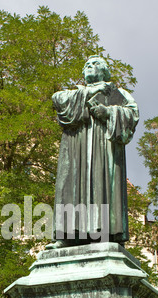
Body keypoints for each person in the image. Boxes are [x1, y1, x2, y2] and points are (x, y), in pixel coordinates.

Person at [49, 55, 139, 248]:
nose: (90, 66)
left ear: (105, 71)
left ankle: (108, 234)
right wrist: (94, 91)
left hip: (103, 148)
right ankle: (66, 236)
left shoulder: (118, 94)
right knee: (69, 185)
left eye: (95, 63)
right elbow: (58, 100)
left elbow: (132, 114)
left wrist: (108, 113)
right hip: (76, 149)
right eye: (87, 64)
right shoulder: (75, 94)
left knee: (103, 186)